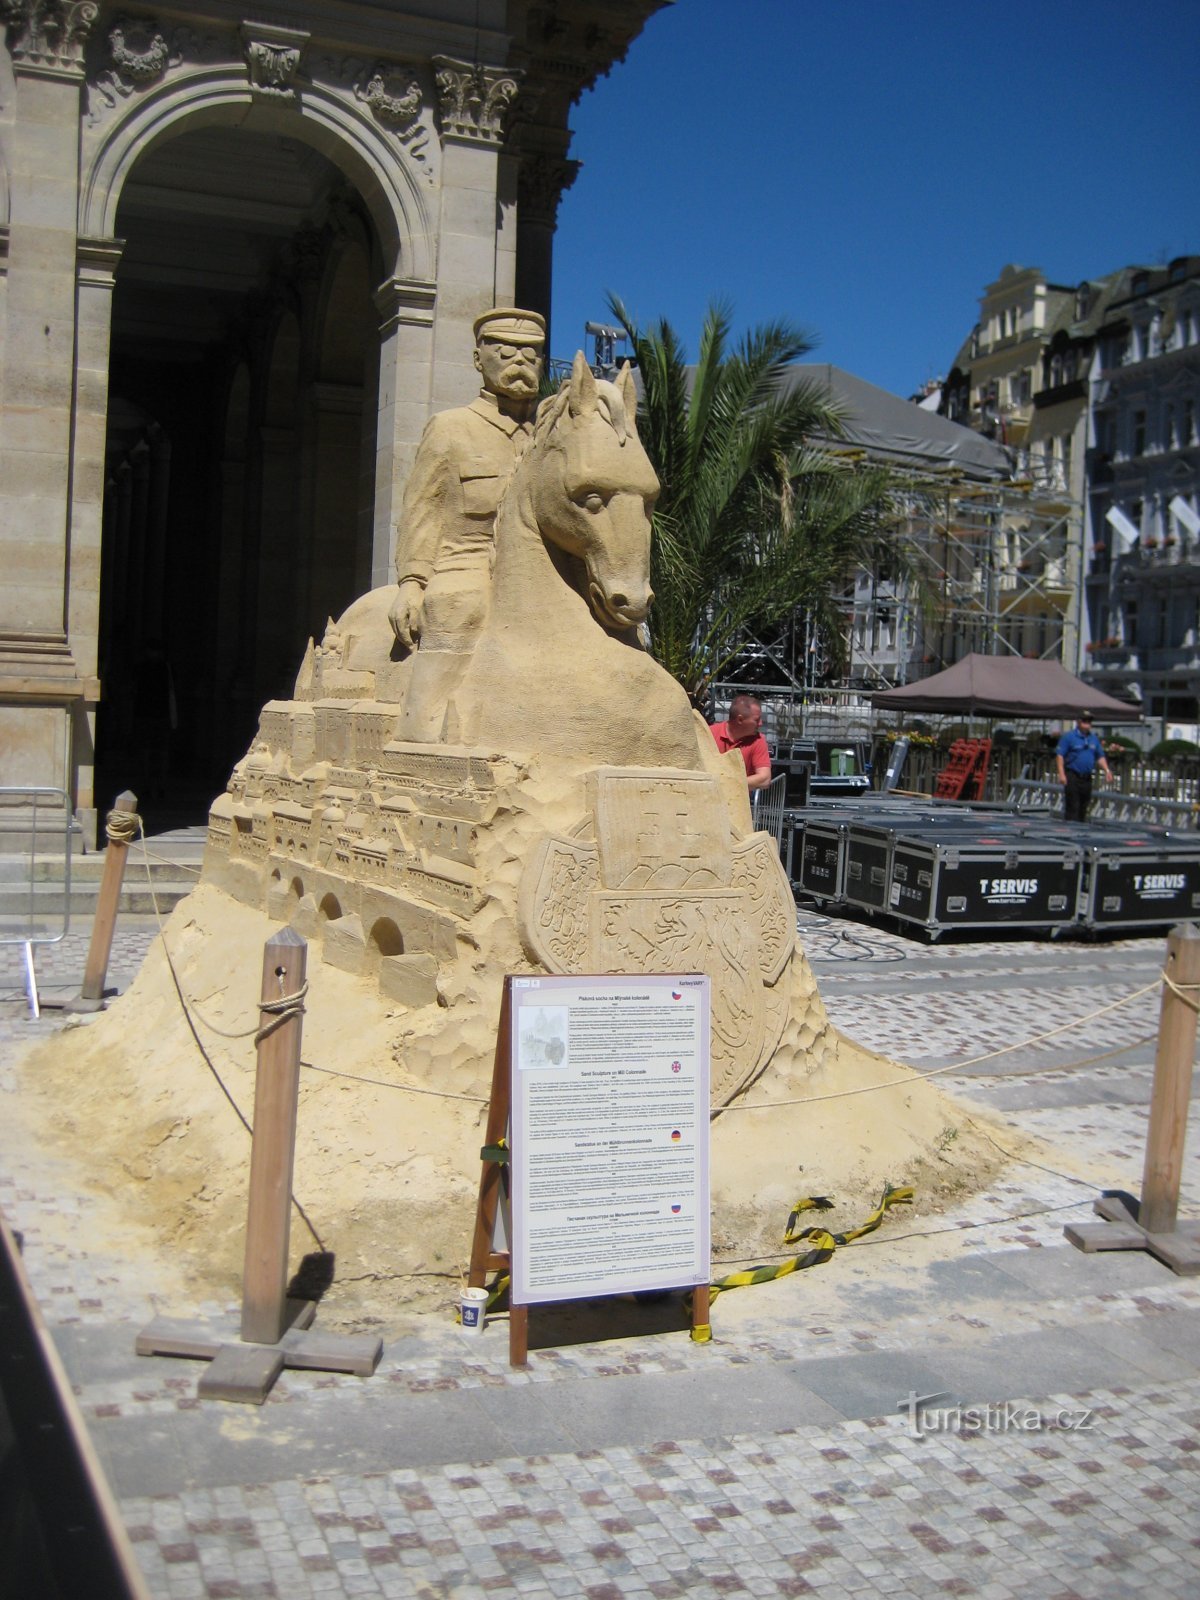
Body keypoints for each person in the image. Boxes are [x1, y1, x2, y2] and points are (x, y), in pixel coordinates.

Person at [388, 306, 546, 739]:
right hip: (467, 563)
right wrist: (412, 582)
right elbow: (422, 509)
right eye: (505, 352)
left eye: (531, 355)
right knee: (458, 608)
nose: (520, 362)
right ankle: (419, 734)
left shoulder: (548, 435)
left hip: (539, 572)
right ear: (479, 359)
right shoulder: (451, 428)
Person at [1055, 711, 1112, 822]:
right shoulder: (1069, 737)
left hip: (1086, 777)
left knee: (1084, 805)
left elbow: (1100, 756)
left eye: (1090, 721)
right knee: (1073, 805)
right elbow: (1060, 755)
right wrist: (1061, 774)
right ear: (1079, 722)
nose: (1088, 724)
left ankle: (1080, 829)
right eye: (1085, 721)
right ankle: (1070, 830)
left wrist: (1107, 770)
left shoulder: (1093, 739)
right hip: (1073, 774)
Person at [709, 693, 772, 791]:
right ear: (740, 719)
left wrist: (726, 784)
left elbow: (765, 779)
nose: (760, 724)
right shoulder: (710, 734)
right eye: (757, 720)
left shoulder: (758, 740)